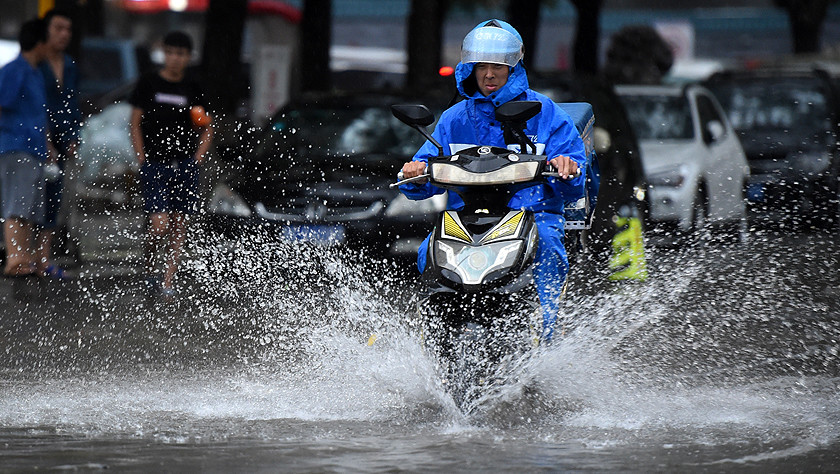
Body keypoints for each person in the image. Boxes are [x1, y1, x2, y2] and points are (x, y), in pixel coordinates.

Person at [399, 19, 586, 342]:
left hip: (532, 215)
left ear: (514, 66)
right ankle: (427, 333)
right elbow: (424, 174)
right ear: (468, 68)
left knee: (548, 245)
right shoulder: (454, 119)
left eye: (497, 66)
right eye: (480, 66)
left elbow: (574, 181)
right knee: (428, 250)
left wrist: (567, 166)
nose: (488, 75)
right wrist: (413, 173)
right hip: (465, 219)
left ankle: (546, 335)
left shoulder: (548, 113)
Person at [129, 31, 213, 297]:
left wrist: (198, 157)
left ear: (188, 57)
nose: (175, 58)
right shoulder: (149, 83)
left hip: (184, 165)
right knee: (159, 225)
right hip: (154, 163)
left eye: (181, 54)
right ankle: (150, 266)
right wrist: (141, 156)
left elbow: (208, 127)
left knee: (178, 223)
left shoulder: (194, 87)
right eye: (171, 52)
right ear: (163, 53)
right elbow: (135, 122)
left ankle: (167, 282)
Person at [0, 19, 49, 278]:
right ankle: (14, 258)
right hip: (16, 145)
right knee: (16, 205)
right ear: (40, 43)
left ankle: (24, 257)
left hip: (33, 148)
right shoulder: (15, 70)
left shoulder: (34, 72)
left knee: (29, 207)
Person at [36, 8, 82, 279]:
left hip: (63, 140)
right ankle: (25, 256)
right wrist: (45, 140)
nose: (64, 34)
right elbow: (32, 105)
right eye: (58, 28)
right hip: (36, 140)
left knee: (54, 200)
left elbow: (72, 102)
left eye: (68, 29)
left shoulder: (70, 65)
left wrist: (74, 135)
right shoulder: (35, 63)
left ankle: (44, 259)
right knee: (31, 200)